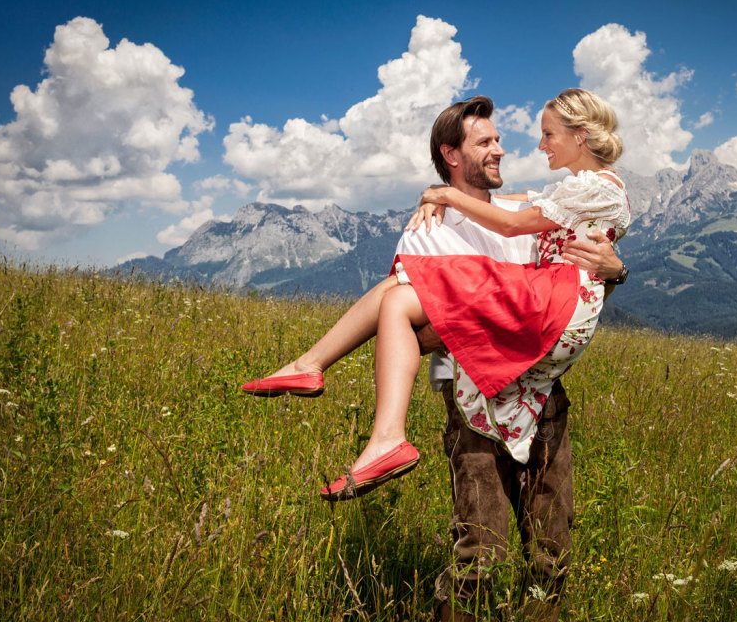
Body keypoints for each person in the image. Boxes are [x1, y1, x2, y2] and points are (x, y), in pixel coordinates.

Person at [243, 90, 629, 504]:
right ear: (452, 155)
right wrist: (439, 196)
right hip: (477, 386)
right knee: (399, 294)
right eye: (485, 143)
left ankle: (365, 415)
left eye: (547, 134)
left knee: (550, 540)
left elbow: (529, 233)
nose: (517, 148)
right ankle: (315, 370)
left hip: (540, 361)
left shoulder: (575, 196)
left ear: (581, 137)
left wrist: (617, 271)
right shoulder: (433, 225)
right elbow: (525, 209)